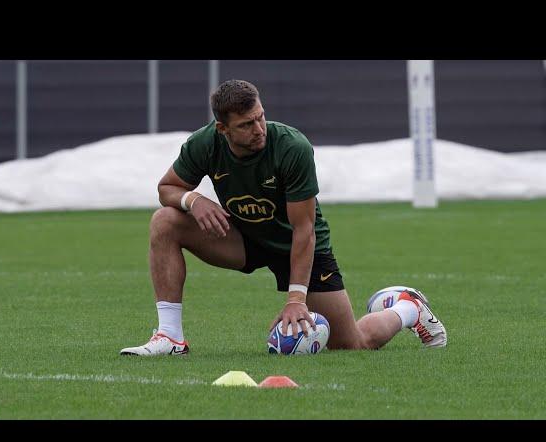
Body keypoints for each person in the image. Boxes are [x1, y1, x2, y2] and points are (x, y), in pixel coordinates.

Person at [120, 79, 447, 356]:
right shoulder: (204, 144)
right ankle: (170, 337)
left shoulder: (292, 147)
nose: (258, 129)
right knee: (164, 220)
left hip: (299, 244)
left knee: (353, 345)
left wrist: (295, 299)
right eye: (246, 125)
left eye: (260, 117)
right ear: (222, 129)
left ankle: (406, 307)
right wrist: (192, 199)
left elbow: (304, 230)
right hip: (244, 239)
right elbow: (167, 188)